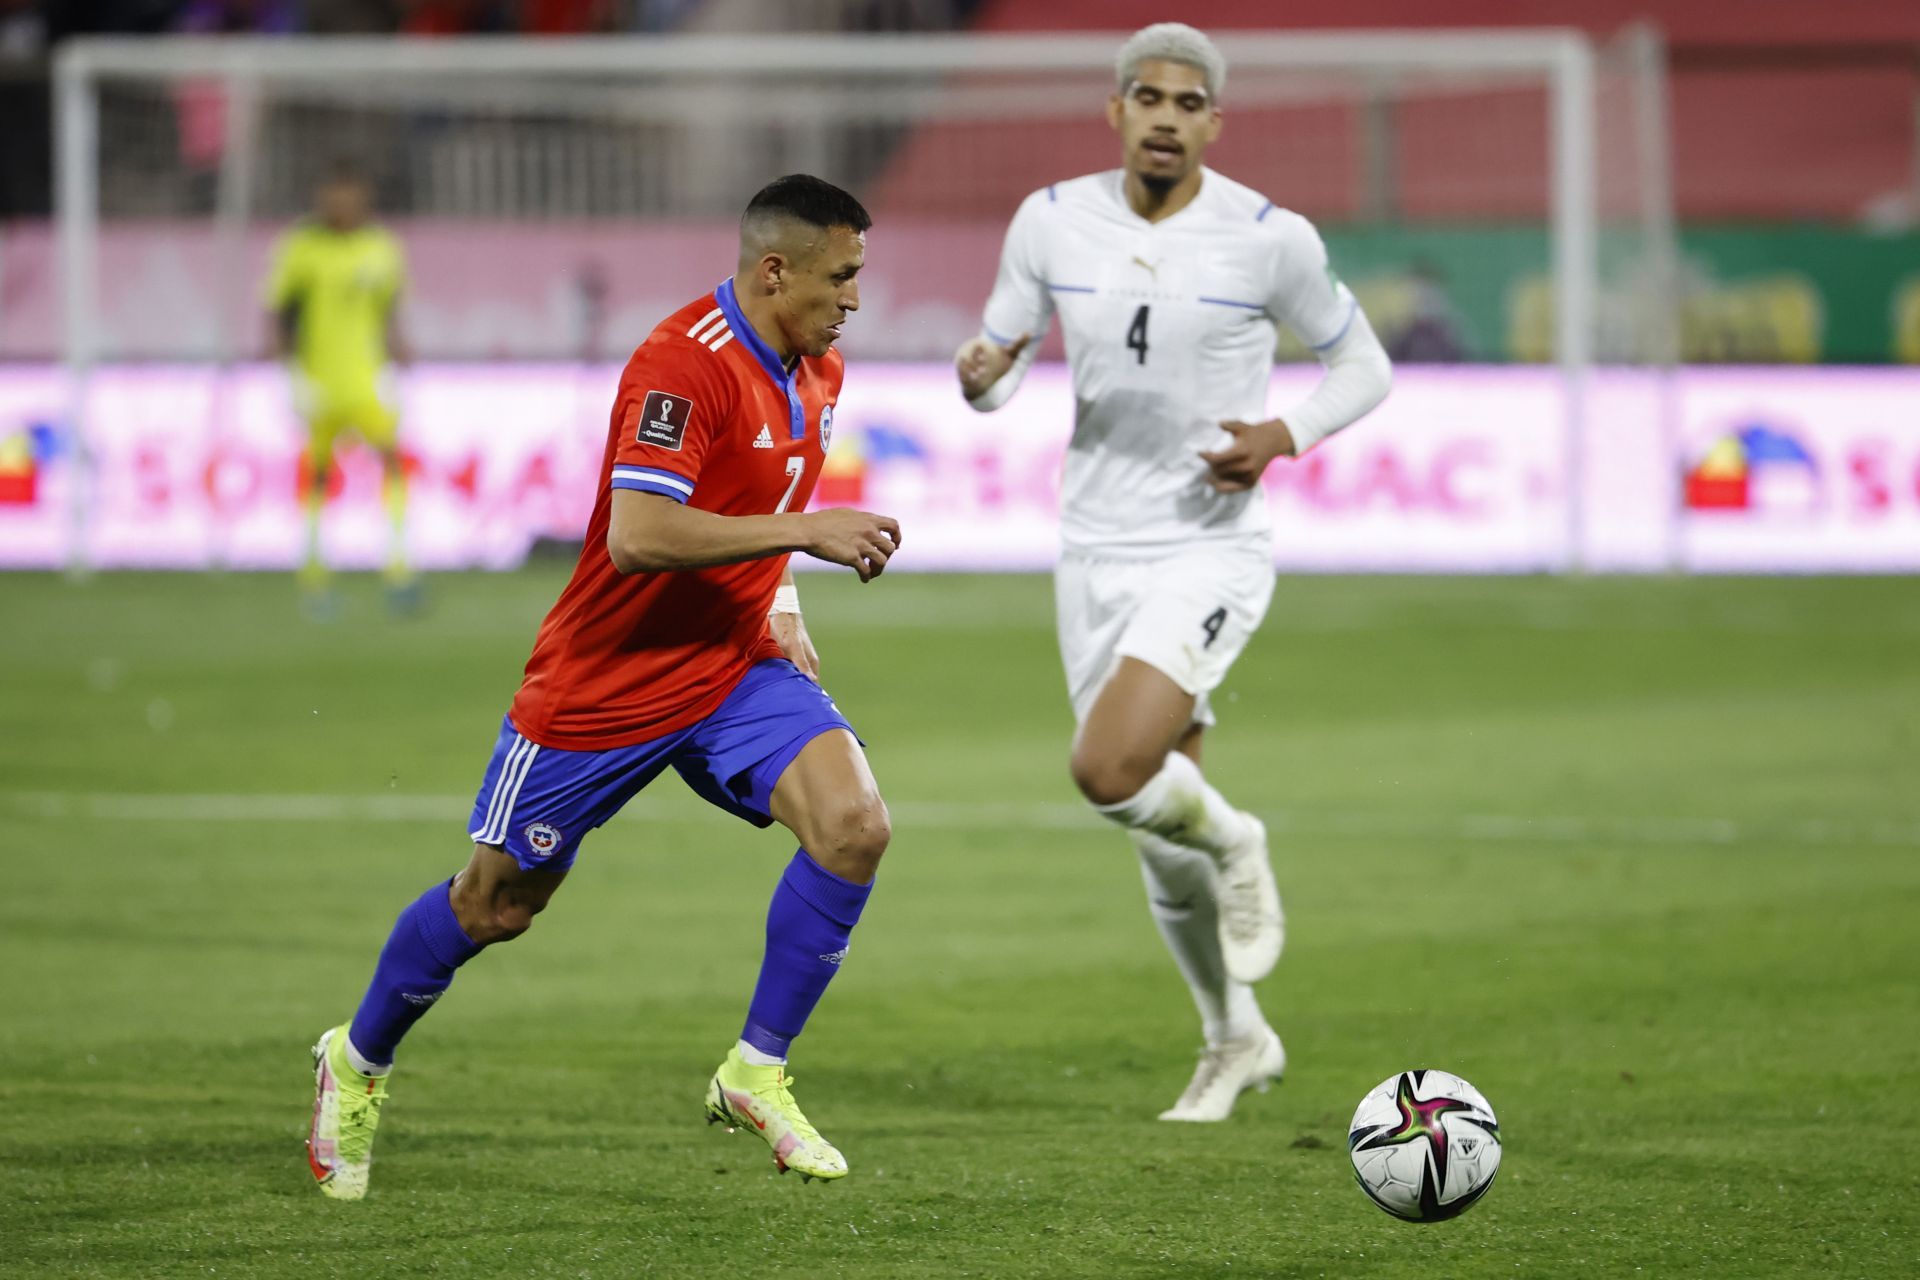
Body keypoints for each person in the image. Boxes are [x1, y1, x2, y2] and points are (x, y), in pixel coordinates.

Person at [307, 174, 902, 1199]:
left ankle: (754, 1069)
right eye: (841, 276)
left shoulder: (818, 371)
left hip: (727, 668)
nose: (854, 297)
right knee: (496, 905)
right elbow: (638, 536)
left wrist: (784, 605)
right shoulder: (681, 366)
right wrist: (805, 530)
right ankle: (355, 1061)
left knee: (854, 824)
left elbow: (768, 499)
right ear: (776, 269)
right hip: (606, 680)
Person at [955, 24, 1392, 1123]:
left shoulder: (1266, 236)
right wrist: (982, 375)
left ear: (1213, 122)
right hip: (1092, 545)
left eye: (1186, 102)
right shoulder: (1049, 220)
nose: (1163, 115)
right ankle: (1233, 1035)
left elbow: (1364, 362)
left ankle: (1244, 841)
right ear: (1115, 111)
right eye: (1144, 96)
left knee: (1108, 768)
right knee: (1157, 818)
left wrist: (1282, 434)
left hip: (1208, 540)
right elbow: (996, 370)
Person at [264, 159, 416, 616]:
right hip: (319, 382)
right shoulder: (301, 247)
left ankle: (398, 569)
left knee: (392, 463)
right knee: (316, 474)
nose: (342, 203)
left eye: (350, 194)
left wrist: (400, 352)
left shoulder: (381, 247)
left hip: (368, 380)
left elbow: (388, 310)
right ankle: (313, 574)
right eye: (334, 193)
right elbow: (281, 311)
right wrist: (287, 370)